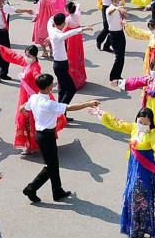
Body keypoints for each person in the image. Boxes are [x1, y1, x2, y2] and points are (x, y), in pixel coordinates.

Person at [94, 106, 155, 238]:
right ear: (136, 120)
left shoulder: (151, 136)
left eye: (146, 123)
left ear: (151, 124)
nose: (142, 125)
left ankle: (140, 232)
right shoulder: (133, 128)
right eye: (140, 122)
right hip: (132, 170)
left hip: (144, 173)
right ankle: (136, 233)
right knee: (132, 197)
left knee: (136, 197)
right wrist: (101, 114)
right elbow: (117, 123)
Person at [20, 74, 100, 203]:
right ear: (49, 87)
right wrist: (88, 104)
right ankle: (31, 188)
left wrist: (22, 108)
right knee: (50, 167)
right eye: (52, 83)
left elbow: (25, 106)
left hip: (42, 135)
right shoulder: (49, 103)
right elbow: (69, 107)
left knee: (54, 163)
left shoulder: (34, 97)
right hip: (46, 136)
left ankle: (57, 191)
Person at [0, 0, 34, 83]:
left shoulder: (6, 7)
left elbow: (16, 10)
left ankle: (3, 73)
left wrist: (26, 10)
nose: (5, 0)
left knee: (8, 53)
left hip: (5, 32)